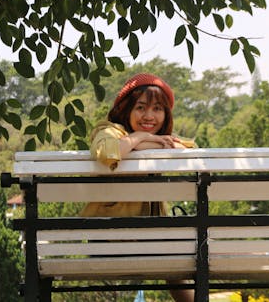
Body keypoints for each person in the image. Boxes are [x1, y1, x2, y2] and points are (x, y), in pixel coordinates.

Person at [81, 73, 196, 302]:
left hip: (148, 239)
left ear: (165, 114)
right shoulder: (109, 130)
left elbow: (189, 149)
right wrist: (138, 137)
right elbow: (107, 152)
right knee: (181, 251)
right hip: (111, 239)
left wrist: (145, 141)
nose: (149, 116)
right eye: (141, 108)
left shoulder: (162, 139)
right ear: (126, 109)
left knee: (177, 252)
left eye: (157, 109)